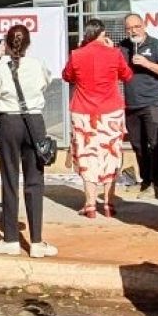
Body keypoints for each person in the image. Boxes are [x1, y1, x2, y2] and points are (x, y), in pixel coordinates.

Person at [0, 24, 56, 257]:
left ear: (5, 43)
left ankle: (11, 239)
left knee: (10, 179)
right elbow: (46, 83)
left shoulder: (0, 67)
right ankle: (36, 242)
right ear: (28, 44)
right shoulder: (38, 64)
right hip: (34, 121)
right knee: (35, 181)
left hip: (9, 122)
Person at [62, 19, 132, 218]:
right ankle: (109, 202)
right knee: (111, 155)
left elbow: (67, 76)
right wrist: (113, 50)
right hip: (111, 110)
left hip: (83, 111)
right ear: (102, 35)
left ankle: (90, 204)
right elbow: (127, 76)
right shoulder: (114, 53)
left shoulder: (77, 54)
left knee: (86, 155)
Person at [119, 13, 158, 199]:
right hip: (131, 104)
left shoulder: (156, 45)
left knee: (155, 144)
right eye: (129, 28)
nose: (133, 31)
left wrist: (148, 64)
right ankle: (146, 182)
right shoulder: (123, 47)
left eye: (136, 26)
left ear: (144, 25)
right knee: (138, 146)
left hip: (153, 103)